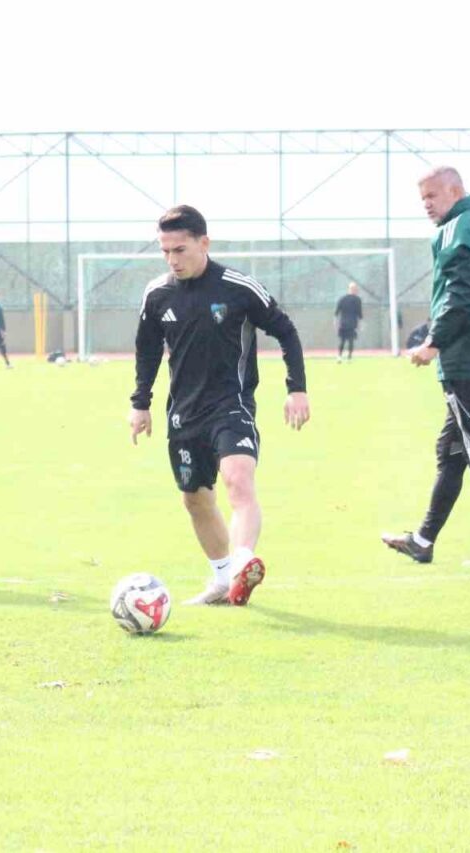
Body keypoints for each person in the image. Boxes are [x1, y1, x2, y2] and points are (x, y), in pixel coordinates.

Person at [130, 205, 310, 606]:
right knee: (195, 498)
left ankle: (244, 561)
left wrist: (296, 388)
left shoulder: (238, 287)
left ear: (204, 243)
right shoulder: (157, 294)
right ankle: (222, 580)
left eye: (180, 250)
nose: (172, 260)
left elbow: (286, 330)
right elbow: (147, 350)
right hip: (184, 413)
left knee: (238, 481)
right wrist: (140, 403)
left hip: (232, 405)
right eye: (165, 251)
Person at [382, 166, 470, 566]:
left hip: (467, 363)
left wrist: (433, 343)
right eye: (422, 198)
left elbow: (458, 295)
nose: (426, 205)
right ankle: (423, 540)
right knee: (452, 449)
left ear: (455, 191)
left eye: (432, 196)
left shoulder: (457, 229)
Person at [334, 282, 363, 362]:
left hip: (343, 323)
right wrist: (360, 324)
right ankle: (349, 357)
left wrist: (336, 323)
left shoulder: (342, 299)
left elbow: (336, 313)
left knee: (343, 340)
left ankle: (340, 356)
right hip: (352, 323)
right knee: (350, 340)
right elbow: (359, 314)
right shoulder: (357, 300)